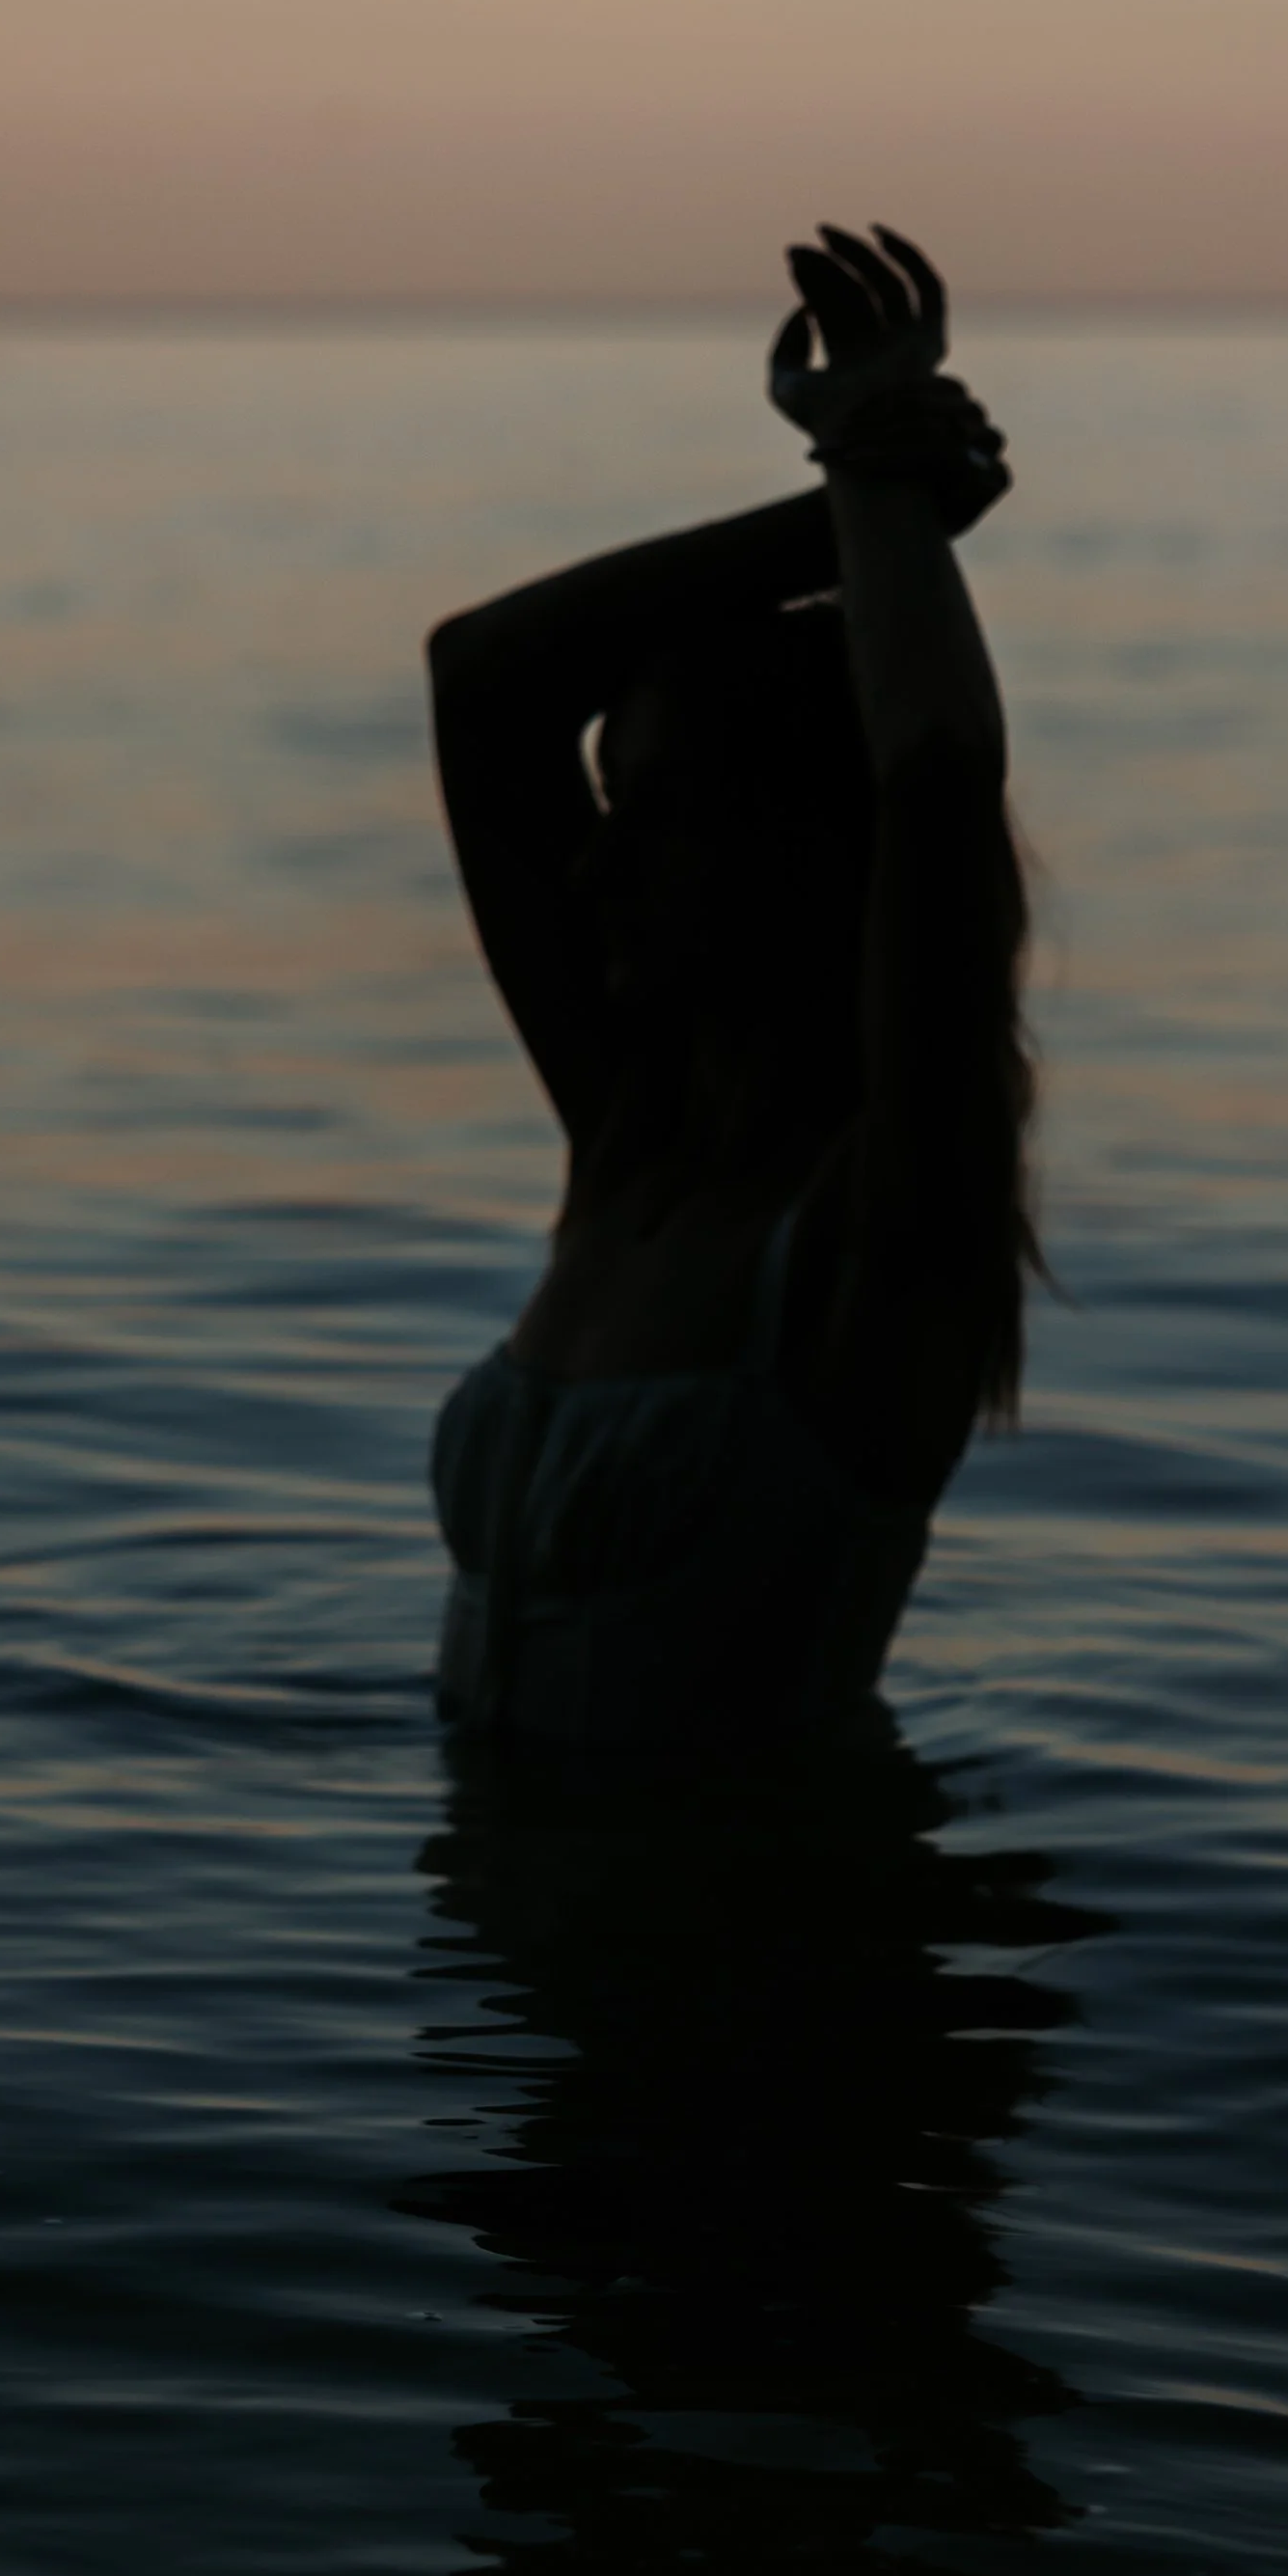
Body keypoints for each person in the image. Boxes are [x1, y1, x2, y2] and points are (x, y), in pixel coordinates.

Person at [425, 224, 1038, 1745]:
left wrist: (881, 484)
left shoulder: (888, 1222)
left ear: (790, 857)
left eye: (650, 815)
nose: (592, 866)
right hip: (503, 1980)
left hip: (768, 1979)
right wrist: (855, 495)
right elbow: (483, 679)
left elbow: (940, 775)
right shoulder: (632, 1149)